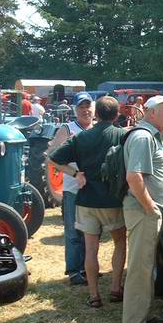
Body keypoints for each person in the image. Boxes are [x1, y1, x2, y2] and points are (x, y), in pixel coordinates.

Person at [48, 96, 127, 309]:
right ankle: (116, 288)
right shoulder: (122, 135)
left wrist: (76, 174)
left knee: (90, 249)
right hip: (113, 200)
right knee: (120, 243)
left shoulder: (80, 137)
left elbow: (53, 158)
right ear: (116, 115)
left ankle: (94, 295)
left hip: (86, 201)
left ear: (97, 114)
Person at [121, 95, 163, 323]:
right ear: (152, 112)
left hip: (147, 212)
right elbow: (134, 177)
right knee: (140, 268)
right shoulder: (143, 137)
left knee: (148, 267)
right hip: (144, 212)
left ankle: (142, 317)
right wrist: (150, 208)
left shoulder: (150, 136)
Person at [47, 92, 94, 286]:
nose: (85, 110)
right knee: (73, 231)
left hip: (93, 190)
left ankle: (88, 268)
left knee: (90, 231)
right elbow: (51, 158)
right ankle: (74, 271)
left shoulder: (97, 129)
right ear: (75, 110)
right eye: (81, 107)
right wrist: (75, 174)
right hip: (73, 189)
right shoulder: (67, 129)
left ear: (93, 108)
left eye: (88, 106)